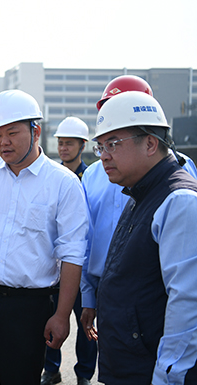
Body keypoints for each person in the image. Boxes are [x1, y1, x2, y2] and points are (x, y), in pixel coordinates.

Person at [0, 90, 88, 384]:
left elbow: (73, 254)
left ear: (35, 131)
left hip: (28, 307)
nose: (3, 142)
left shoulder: (63, 183)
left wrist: (62, 316)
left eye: (12, 133)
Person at [79, 76, 197, 346]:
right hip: (114, 302)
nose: (105, 153)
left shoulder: (178, 187)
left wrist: (169, 372)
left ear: (150, 142)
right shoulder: (109, 179)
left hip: (147, 316)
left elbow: (186, 298)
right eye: (102, 144)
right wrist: (89, 296)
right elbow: (86, 238)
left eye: (115, 142)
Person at [41, 116, 97, 385]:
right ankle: (51, 369)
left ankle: (84, 374)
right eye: (61, 143)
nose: (63, 148)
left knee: (85, 323)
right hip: (55, 264)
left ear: (82, 145)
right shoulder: (51, 176)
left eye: (69, 144)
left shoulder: (95, 177)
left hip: (84, 266)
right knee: (51, 319)